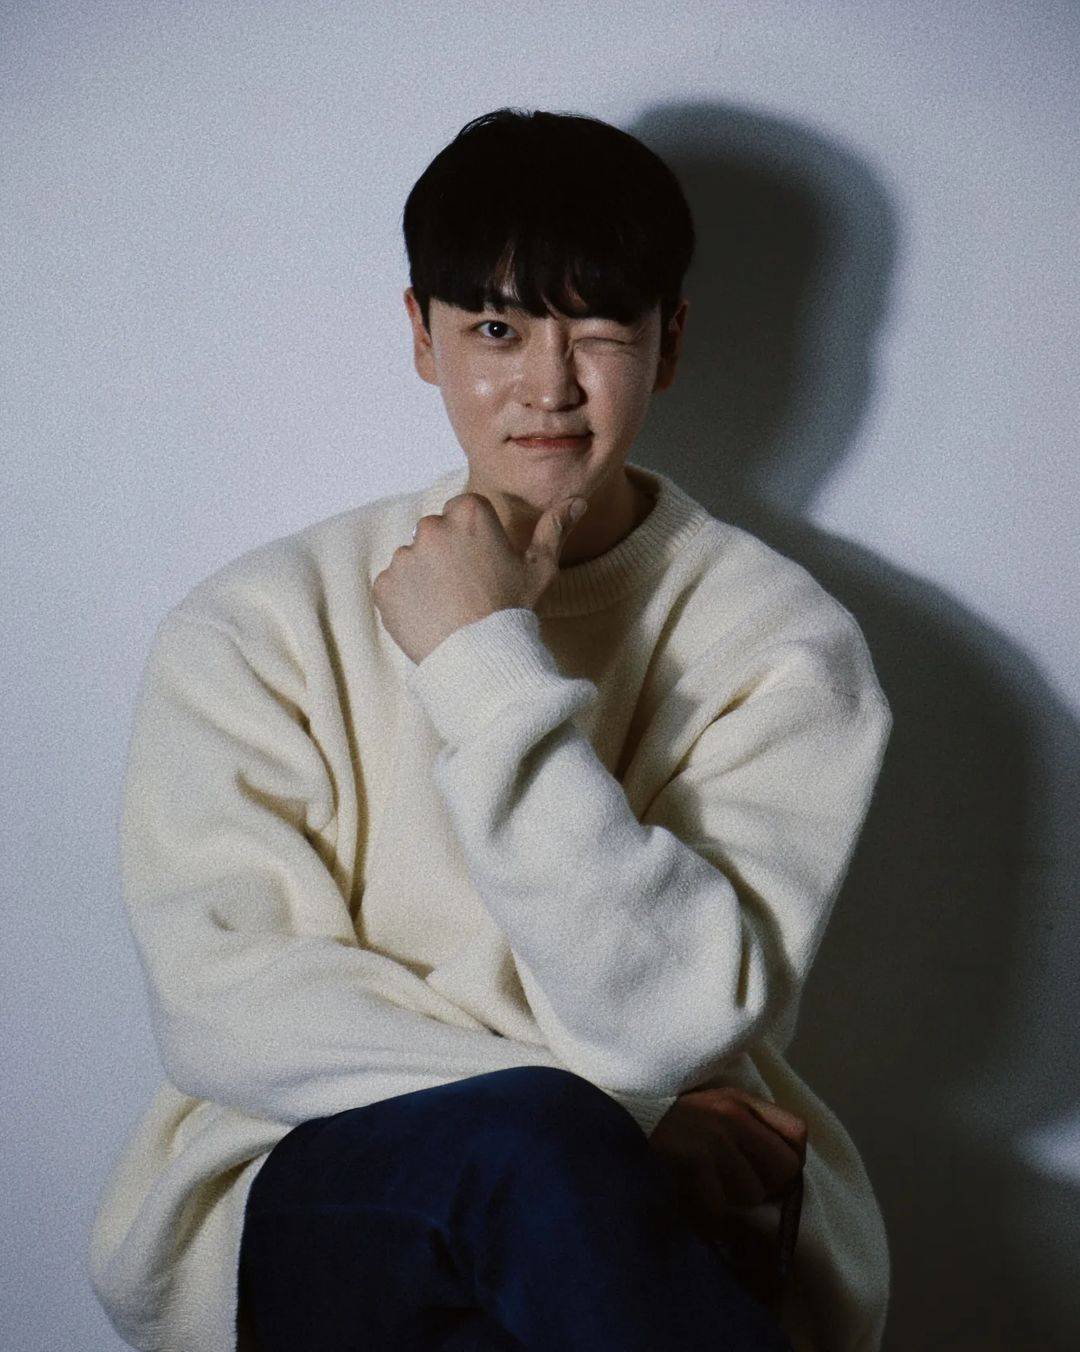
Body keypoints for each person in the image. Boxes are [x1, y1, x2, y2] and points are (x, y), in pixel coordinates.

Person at [87, 108, 892, 1352]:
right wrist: (616, 1113)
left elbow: (680, 1016)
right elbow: (228, 1006)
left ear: (671, 341)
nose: (549, 386)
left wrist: (480, 660)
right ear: (422, 334)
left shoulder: (783, 645)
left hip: (642, 1215)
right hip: (312, 1185)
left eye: (601, 330)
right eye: (498, 329)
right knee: (537, 1148)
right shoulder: (256, 622)